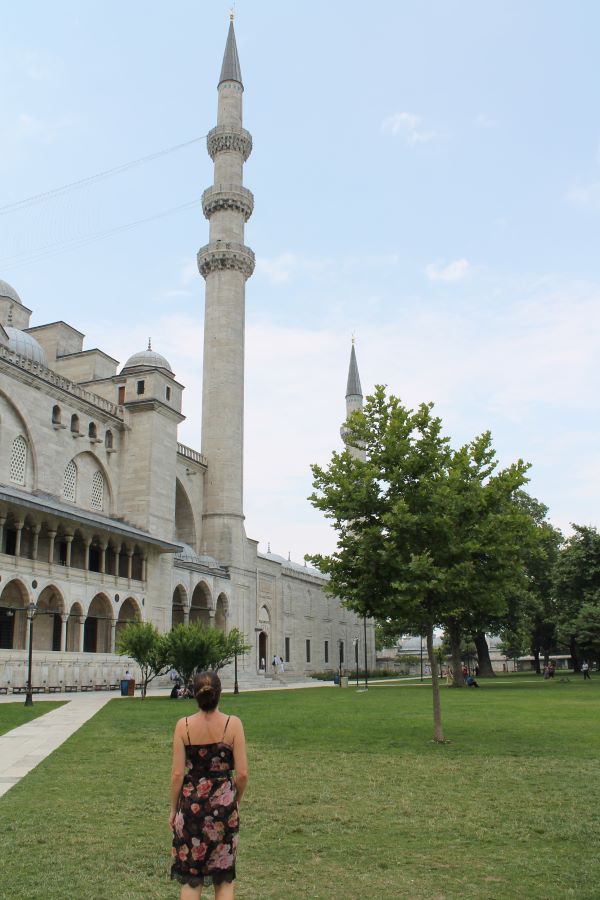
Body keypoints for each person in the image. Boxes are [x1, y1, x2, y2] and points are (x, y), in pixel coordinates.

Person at [170, 670, 248, 899]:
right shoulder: (233, 725)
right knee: (223, 880)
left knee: (191, 882)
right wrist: (235, 801)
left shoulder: (182, 726)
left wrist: (173, 810)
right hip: (224, 811)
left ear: (194, 695)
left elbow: (177, 774)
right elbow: (242, 773)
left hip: (190, 810)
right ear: (219, 694)